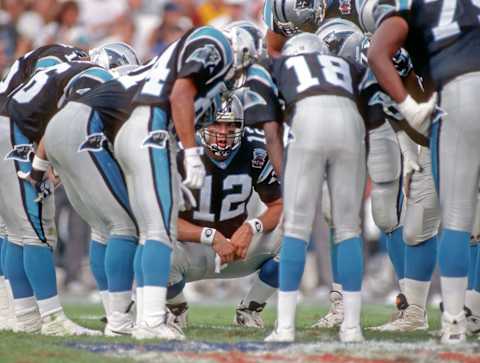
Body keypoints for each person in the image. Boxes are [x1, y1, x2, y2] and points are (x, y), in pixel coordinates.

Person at [368, 0, 479, 344]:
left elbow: (378, 54)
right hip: (440, 121)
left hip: (455, 100)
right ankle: (423, 311)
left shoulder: (411, 16)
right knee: (427, 226)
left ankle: (459, 318)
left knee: (461, 221)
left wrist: (409, 109)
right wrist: (406, 140)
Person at [264, 33, 367, 343]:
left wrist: (286, 176)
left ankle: (285, 327)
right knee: (349, 228)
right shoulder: (348, 66)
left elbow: (271, 133)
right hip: (350, 124)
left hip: (307, 120)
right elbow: (369, 111)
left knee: (296, 228)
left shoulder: (277, 66)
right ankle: (352, 327)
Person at [166, 93, 282, 329]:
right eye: (216, 123)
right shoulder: (178, 151)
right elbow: (160, 220)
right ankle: (175, 309)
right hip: (191, 252)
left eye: (231, 125)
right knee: (153, 247)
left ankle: (249, 310)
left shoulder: (254, 149)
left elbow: (278, 205)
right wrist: (210, 236)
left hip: (237, 249)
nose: (223, 131)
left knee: (294, 237)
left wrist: (251, 227)